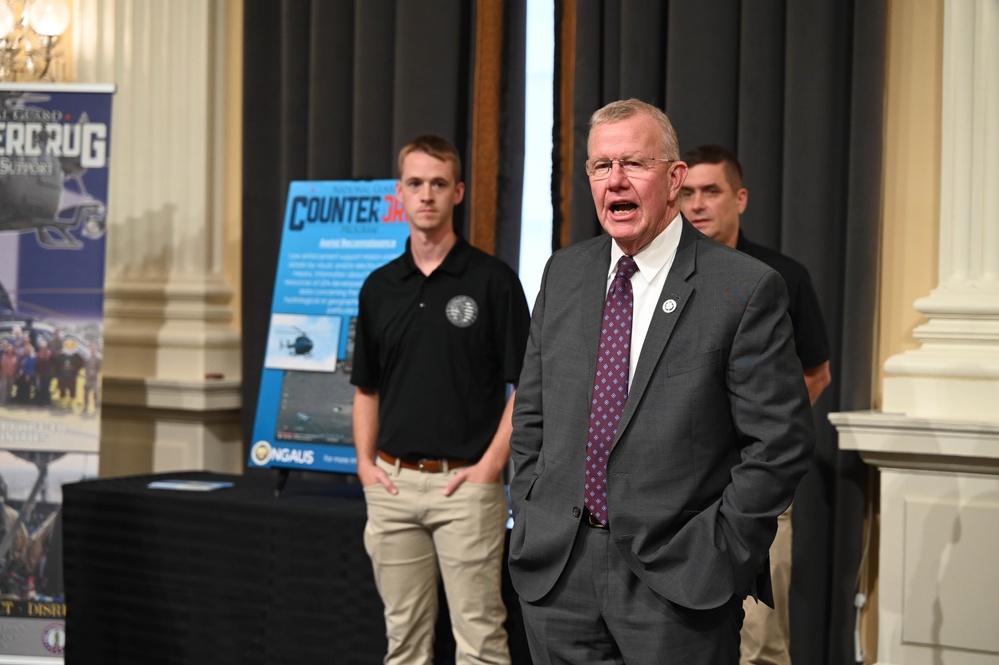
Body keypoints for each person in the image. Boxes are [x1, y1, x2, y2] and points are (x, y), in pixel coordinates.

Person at [508, 98, 816, 665]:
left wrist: (720, 549)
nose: (615, 180)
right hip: (558, 575)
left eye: (634, 164)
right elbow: (532, 413)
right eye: (601, 166)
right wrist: (529, 511)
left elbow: (780, 442)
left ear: (675, 179)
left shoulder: (744, 287)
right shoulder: (563, 273)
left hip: (678, 584)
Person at [350, 134, 531, 665]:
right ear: (398, 196)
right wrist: (364, 466)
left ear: (458, 192)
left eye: (437, 183)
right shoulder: (379, 286)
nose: (425, 194)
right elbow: (367, 387)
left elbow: (528, 387)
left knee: (480, 641)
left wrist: (489, 467)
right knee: (403, 642)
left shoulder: (493, 281)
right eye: (415, 183)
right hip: (392, 486)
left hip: (467, 489)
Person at [680, 144, 832, 665]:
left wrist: (761, 436)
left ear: (739, 198)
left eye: (711, 191)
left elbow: (817, 372)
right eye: (687, 193)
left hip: (756, 483)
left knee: (761, 639)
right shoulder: (660, 274)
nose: (698, 204)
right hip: (680, 483)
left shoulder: (782, 275)